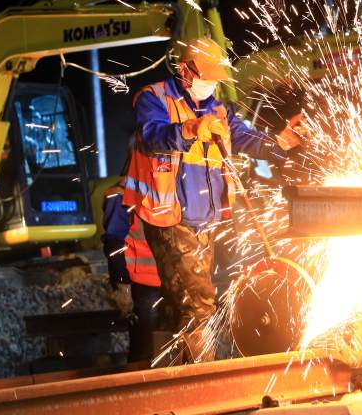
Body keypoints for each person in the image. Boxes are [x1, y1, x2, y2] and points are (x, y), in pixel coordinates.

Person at [122, 37, 305, 362]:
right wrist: (191, 128)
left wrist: (278, 144)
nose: (209, 85)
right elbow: (152, 137)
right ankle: (207, 376)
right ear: (184, 70)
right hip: (171, 218)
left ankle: (173, 373)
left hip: (204, 221)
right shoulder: (154, 99)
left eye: (214, 80)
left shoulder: (218, 109)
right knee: (199, 304)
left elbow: (245, 138)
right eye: (205, 78)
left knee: (183, 303)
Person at [102, 176, 161, 362]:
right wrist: (121, 284)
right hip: (142, 285)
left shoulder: (166, 188)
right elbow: (114, 243)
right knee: (145, 349)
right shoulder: (119, 194)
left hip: (170, 281)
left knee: (170, 348)